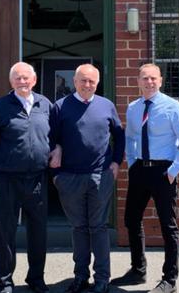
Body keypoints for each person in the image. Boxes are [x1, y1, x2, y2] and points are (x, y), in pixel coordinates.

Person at [111, 63, 179, 293]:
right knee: (131, 219)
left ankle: (169, 280)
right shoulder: (134, 108)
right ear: (138, 81)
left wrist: (172, 171)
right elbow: (130, 137)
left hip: (163, 172)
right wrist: (132, 161)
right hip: (140, 170)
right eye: (145, 78)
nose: (149, 82)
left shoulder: (173, 107)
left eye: (153, 78)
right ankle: (138, 270)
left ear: (160, 81)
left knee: (168, 226)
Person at [49, 64, 124, 293]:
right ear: (75, 81)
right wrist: (56, 175)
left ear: (97, 83)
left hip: (100, 176)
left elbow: (119, 136)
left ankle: (102, 279)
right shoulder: (60, 107)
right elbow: (50, 139)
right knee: (79, 228)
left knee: (98, 227)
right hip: (69, 178)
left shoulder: (106, 105)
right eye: (83, 80)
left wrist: (115, 163)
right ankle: (80, 276)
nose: (87, 85)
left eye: (92, 81)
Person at [0, 62, 53, 293]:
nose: (22, 82)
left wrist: (58, 149)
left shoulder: (45, 105)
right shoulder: (0, 106)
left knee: (38, 231)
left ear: (34, 80)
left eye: (26, 78)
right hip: (7, 179)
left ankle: (36, 279)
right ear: (11, 82)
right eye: (17, 78)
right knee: (6, 231)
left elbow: (58, 136)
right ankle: (4, 281)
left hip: (38, 179)